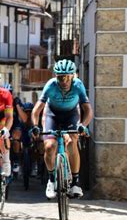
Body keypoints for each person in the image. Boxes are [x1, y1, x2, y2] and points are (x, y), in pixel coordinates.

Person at [30, 59, 93, 199]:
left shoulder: (78, 85)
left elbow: (88, 110)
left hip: (71, 115)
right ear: (55, 76)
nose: (64, 80)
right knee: (49, 146)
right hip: (52, 114)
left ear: (73, 76)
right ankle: (51, 180)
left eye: (67, 77)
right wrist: (35, 126)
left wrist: (83, 125)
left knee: (72, 141)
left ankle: (75, 182)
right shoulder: (51, 85)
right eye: (60, 77)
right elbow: (36, 110)